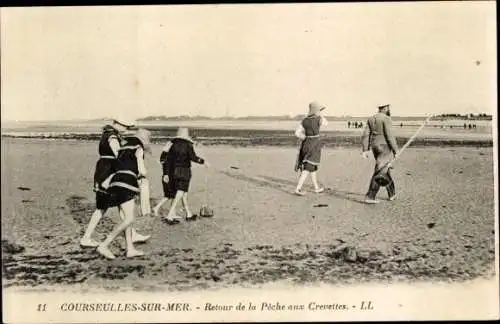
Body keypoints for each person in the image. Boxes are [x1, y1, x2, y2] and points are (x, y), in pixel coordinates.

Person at [80, 118, 149, 247]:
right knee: (103, 207)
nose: (126, 129)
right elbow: (119, 154)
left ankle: (132, 234)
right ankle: (86, 237)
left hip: (103, 169)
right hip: (109, 171)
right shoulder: (112, 136)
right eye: (125, 126)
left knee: (119, 204)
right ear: (117, 124)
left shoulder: (107, 134)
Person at [96, 128, 152, 259]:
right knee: (129, 219)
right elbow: (142, 171)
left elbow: (116, 165)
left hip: (115, 182)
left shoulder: (123, 147)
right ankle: (104, 245)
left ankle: (130, 249)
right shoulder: (139, 148)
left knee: (126, 217)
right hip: (128, 183)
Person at [152, 127, 208, 224]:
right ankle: (170, 215)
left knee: (183, 193)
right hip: (184, 171)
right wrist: (204, 162)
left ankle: (188, 214)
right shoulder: (188, 145)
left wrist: (166, 173)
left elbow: (165, 159)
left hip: (173, 171)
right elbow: (193, 157)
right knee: (181, 192)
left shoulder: (172, 144)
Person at [361, 104, 399, 204]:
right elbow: (389, 136)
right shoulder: (386, 118)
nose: (389, 109)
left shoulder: (371, 119)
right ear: (385, 108)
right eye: (388, 108)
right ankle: (370, 196)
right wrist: (396, 150)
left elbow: (366, 134)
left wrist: (365, 149)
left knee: (384, 169)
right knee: (380, 172)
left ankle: (392, 194)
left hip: (375, 147)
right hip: (384, 147)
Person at [293, 101, 328, 196]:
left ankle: (316, 187)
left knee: (312, 167)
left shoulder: (304, 120)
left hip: (306, 143)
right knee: (308, 168)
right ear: (316, 110)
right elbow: (326, 123)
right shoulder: (318, 119)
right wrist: (321, 115)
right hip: (315, 145)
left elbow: (296, 133)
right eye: (319, 110)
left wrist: (304, 137)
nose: (320, 111)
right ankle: (298, 188)